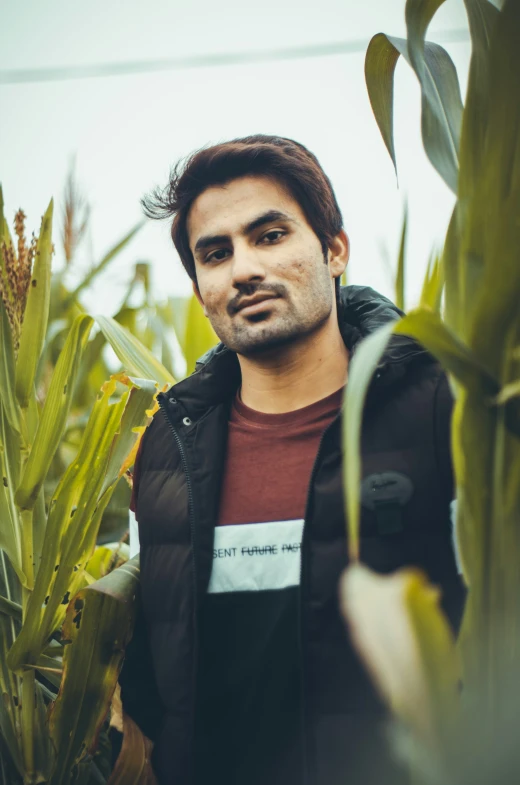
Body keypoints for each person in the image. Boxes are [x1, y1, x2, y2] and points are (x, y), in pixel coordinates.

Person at [118, 135, 465, 785]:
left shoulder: (441, 409)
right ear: (201, 291)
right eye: (215, 254)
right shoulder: (169, 449)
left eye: (270, 235)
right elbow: (160, 678)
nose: (243, 268)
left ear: (335, 250)